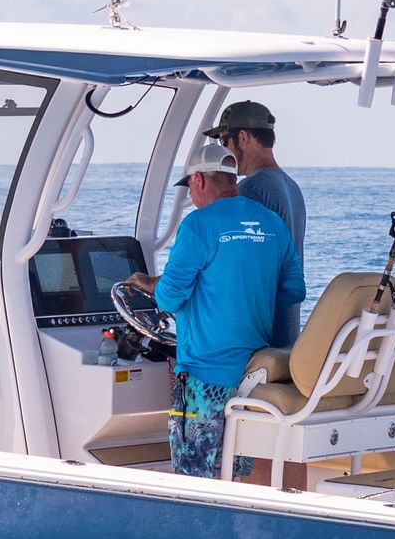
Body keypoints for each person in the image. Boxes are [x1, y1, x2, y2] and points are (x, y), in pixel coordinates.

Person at [130, 140, 303, 482]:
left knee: (194, 477)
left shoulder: (198, 226)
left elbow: (168, 299)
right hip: (252, 377)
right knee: (235, 474)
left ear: (198, 180)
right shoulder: (272, 223)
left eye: (190, 187)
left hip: (206, 376)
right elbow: (293, 290)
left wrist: (153, 285)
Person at [206, 99, 306, 346]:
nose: (223, 151)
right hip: (285, 335)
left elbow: (233, 270)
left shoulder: (252, 189)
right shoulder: (291, 187)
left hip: (257, 341)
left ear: (242, 138)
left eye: (223, 141)